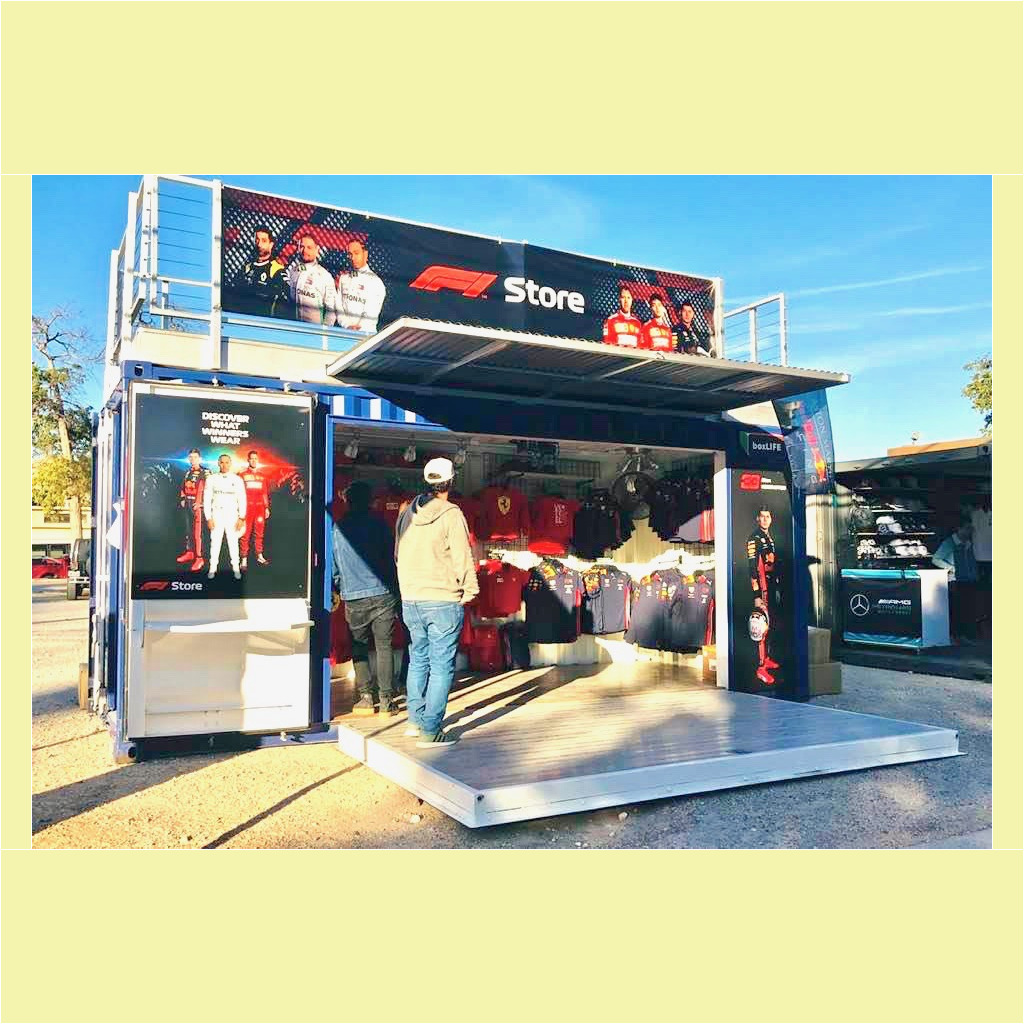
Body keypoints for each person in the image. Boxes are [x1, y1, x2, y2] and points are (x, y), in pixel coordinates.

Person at [395, 457, 479, 747]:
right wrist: (469, 589)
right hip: (442, 598)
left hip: (411, 598)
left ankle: (415, 721)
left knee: (418, 658)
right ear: (451, 482)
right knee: (442, 665)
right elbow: (461, 555)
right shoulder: (451, 513)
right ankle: (431, 730)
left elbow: (397, 554)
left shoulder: (405, 512)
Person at [331, 480, 401, 716]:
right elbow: (392, 560)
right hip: (382, 594)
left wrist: (341, 586)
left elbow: (334, 566)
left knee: (358, 646)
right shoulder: (380, 525)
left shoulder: (337, 528)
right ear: (370, 501)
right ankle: (386, 700)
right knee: (384, 647)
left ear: (347, 501)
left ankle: (365, 697)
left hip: (353, 595)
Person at [747, 506, 781, 686]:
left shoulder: (769, 536)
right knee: (761, 627)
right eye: (762, 517)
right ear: (757, 519)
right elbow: (752, 568)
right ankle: (760, 668)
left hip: (772, 585)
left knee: (771, 624)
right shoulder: (754, 538)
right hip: (762, 589)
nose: (765, 519)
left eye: (768, 516)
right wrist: (756, 595)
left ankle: (766, 658)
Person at [932, 519, 980, 643]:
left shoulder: (968, 543)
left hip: (968, 579)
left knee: (966, 609)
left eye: (970, 528)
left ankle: (963, 635)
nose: (970, 531)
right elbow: (936, 559)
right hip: (955, 580)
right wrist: (951, 568)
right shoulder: (949, 543)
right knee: (957, 609)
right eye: (967, 528)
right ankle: (955, 635)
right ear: (959, 528)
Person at [203, 453, 247, 580]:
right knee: (215, 543)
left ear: (230, 464)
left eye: (227, 462)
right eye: (222, 462)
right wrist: (208, 518)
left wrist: (241, 517)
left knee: (233, 543)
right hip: (216, 514)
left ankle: (236, 569)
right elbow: (207, 499)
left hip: (232, 515)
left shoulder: (237, 480)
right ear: (218, 463)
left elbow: (242, 499)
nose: (224, 465)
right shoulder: (211, 479)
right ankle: (212, 569)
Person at [232, 225, 289, 317]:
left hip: (262, 322)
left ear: (271, 244)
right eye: (257, 240)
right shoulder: (247, 267)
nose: (259, 244)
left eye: (264, 240)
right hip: (242, 320)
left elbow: (287, 296)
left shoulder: (276, 269)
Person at [336, 238, 387, 333]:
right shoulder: (343, 278)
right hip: (344, 333)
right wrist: (347, 326)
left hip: (366, 335)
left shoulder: (375, 282)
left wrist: (357, 329)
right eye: (350, 254)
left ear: (365, 254)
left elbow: (371, 313)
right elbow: (338, 307)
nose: (353, 257)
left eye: (356, 253)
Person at [286, 234, 337, 325]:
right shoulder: (293, 271)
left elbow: (332, 309)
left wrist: (324, 331)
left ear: (317, 250)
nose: (305, 250)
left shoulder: (325, 276)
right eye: (302, 247)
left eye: (309, 247)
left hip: (314, 331)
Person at [239, 450, 271, 570]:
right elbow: (239, 493)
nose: (253, 460)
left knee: (259, 532)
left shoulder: (262, 477)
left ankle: (259, 555)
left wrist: (266, 507)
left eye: (255, 459)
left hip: (259, 509)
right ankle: (244, 558)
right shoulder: (242, 475)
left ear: (258, 460)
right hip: (247, 508)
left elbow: (264, 493)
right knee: (245, 533)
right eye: (251, 458)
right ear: (248, 460)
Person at [177, 448, 208, 572]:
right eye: (190, 457)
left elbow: (208, 490)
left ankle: (199, 557)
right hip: (188, 503)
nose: (192, 459)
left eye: (195, 457)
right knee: (188, 529)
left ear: (199, 458)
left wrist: (201, 503)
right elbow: (183, 486)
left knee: (198, 532)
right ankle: (190, 552)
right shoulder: (187, 472)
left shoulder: (205, 472)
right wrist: (183, 498)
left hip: (198, 505)